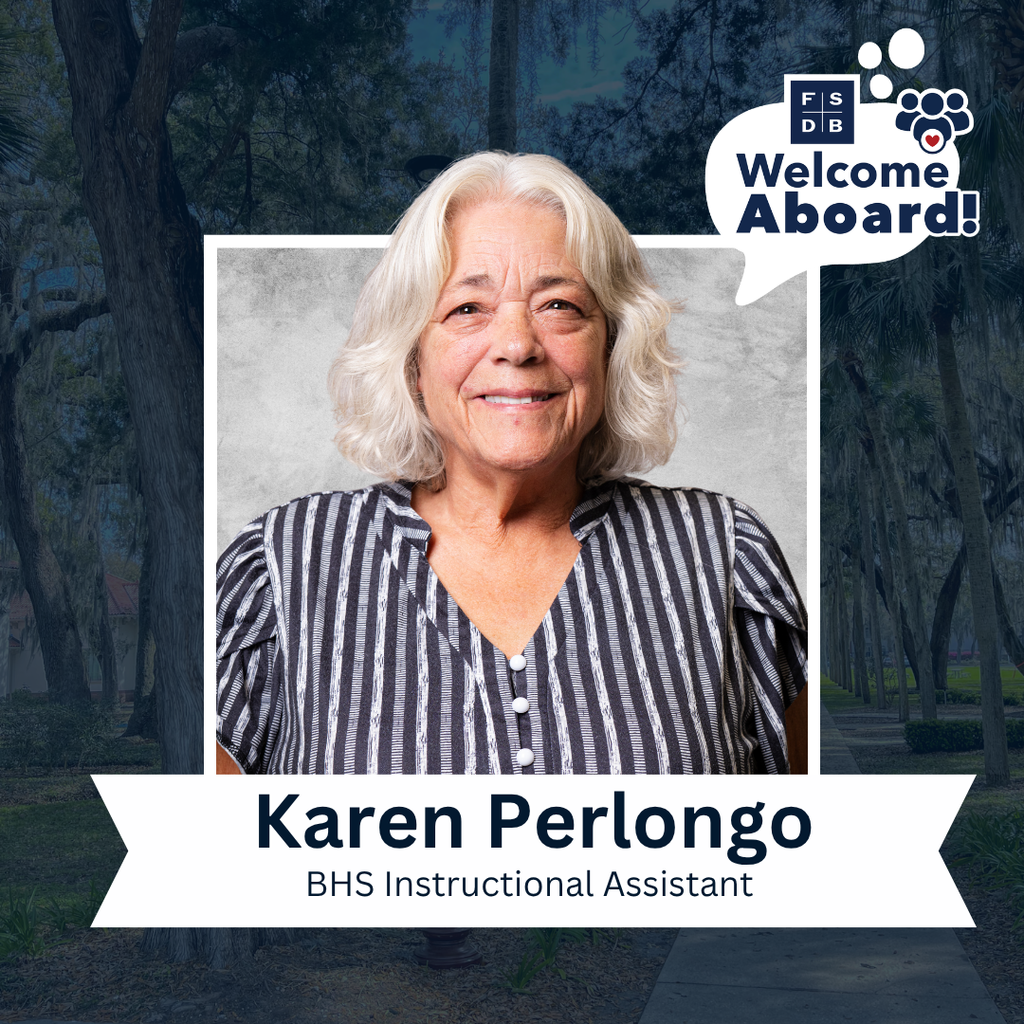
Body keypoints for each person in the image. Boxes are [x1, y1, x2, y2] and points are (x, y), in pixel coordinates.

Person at [216, 152, 807, 776]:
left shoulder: (724, 554)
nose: (518, 346)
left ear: (612, 344)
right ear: (413, 358)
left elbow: (806, 855)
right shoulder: (281, 566)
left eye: (560, 306)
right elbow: (214, 865)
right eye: (467, 309)